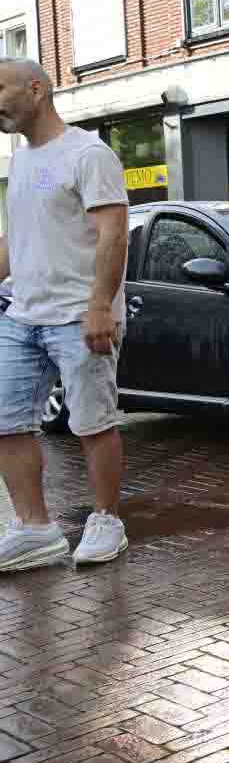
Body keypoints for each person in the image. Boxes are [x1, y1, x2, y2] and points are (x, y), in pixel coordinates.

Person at [0, 58, 130, 570]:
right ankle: (35, 529)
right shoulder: (20, 161)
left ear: (36, 89)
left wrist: (100, 305)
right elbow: (17, 241)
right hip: (22, 314)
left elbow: (114, 233)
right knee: (5, 421)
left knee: (92, 422)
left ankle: (107, 520)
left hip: (78, 314)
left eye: (0, 89)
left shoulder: (88, 154)